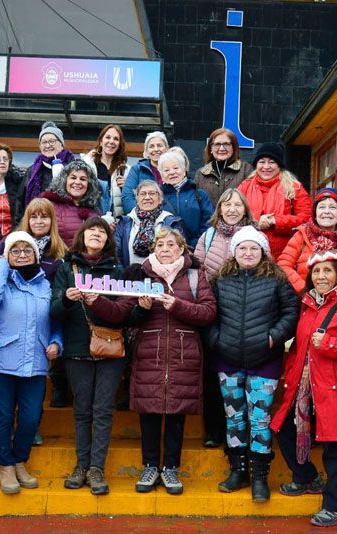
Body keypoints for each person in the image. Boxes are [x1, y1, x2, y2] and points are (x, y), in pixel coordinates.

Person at [86, 227, 217, 496]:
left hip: (184, 354)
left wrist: (177, 305)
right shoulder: (141, 276)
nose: (165, 249)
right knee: (149, 412)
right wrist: (95, 301)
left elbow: (208, 312)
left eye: (171, 245)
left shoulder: (195, 276)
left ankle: (170, 468)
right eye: (160, 245)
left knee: (176, 413)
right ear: (154, 249)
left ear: (182, 249)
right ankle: (149, 466)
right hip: (149, 352)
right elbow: (118, 313)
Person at [270, 250, 337, 527]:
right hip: (306, 388)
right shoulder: (308, 305)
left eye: (327, 271)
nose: (321, 277)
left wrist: (330, 343)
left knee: (334, 449)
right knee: (283, 430)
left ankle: (335, 505)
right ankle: (307, 477)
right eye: (316, 272)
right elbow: (300, 347)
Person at [208, 226, 298, 502]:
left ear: (263, 252)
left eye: (254, 248)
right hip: (228, 359)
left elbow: (291, 310)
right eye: (243, 248)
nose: (248, 253)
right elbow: (208, 312)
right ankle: (238, 471)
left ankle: (260, 476)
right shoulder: (219, 279)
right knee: (234, 419)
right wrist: (216, 340)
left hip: (265, 361)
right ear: (234, 252)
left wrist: (274, 337)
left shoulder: (277, 279)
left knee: (259, 419)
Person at [0, 231, 63, 494]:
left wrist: (57, 342)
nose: (22, 255)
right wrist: (2, 262)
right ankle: (5, 466)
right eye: (16, 250)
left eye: (28, 250)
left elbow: (56, 320)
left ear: (36, 255)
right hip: (2, 361)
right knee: (1, 418)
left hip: (36, 362)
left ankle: (19, 461)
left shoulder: (46, 285)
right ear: (7, 255)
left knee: (30, 418)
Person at [50, 217, 125, 496]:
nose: (96, 234)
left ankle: (97, 469)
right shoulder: (66, 268)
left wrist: (100, 302)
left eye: (102, 232)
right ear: (82, 235)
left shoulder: (117, 269)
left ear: (108, 240)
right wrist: (67, 299)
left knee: (103, 410)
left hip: (111, 350)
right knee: (82, 411)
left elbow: (124, 312)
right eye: (92, 230)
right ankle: (81, 465)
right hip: (77, 349)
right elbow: (54, 311)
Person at [193, 187, 255, 448]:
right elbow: (196, 274)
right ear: (219, 209)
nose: (232, 209)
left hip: (246, 316)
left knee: (245, 377)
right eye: (226, 205)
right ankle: (213, 431)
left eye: (237, 205)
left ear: (245, 209)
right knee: (212, 373)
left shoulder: (254, 237)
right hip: (214, 315)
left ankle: (248, 431)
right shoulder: (207, 237)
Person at [278, 187, 337, 295]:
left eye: (332, 207)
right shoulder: (301, 235)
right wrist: (305, 290)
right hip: (306, 302)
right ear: (315, 213)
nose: (327, 212)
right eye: (322, 207)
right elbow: (283, 265)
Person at [237, 143, 311, 259]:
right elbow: (234, 216)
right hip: (249, 255)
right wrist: (256, 221)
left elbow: (306, 219)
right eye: (262, 162)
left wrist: (275, 221)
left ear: (279, 165)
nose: (266, 166)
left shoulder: (294, 187)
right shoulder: (244, 187)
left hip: (285, 256)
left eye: (272, 162)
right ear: (256, 164)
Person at [114, 180, 183, 268]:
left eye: (152, 193)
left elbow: (179, 253)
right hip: (130, 277)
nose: (147, 197)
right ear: (137, 199)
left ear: (160, 198)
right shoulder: (125, 222)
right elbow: (116, 254)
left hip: (162, 278)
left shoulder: (171, 222)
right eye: (143, 194)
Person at [158, 150, 214, 248]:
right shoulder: (158, 197)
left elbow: (209, 222)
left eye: (176, 168)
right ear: (161, 175)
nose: (172, 172)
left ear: (184, 170)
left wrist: (195, 244)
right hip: (166, 250)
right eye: (166, 170)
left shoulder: (200, 195)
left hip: (195, 249)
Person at [41, 160, 101, 246]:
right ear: (64, 180)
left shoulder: (95, 211)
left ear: (89, 184)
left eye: (83, 179)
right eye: (73, 178)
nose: (77, 182)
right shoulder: (49, 205)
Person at [19, 121, 76, 207]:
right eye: (44, 142)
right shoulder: (32, 170)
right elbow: (20, 200)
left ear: (61, 145)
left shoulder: (73, 167)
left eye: (52, 141)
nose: (48, 145)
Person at [81, 124, 131, 218]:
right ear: (101, 141)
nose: (111, 141)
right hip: (90, 220)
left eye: (116, 139)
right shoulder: (86, 164)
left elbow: (133, 199)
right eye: (108, 137)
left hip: (116, 224)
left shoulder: (126, 170)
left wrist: (126, 188)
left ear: (120, 144)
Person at [193, 128, 254, 205]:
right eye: (217, 144)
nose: (221, 148)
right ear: (211, 148)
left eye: (226, 144)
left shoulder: (245, 170)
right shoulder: (200, 174)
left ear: (233, 147)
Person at [121, 131, 169, 213]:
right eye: (151, 146)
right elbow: (127, 197)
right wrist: (142, 214)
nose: (156, 149)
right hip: (141, 219)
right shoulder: (137, 170)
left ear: (167, 148)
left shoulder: (173, 170)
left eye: (159, 145)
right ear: (146, 151)